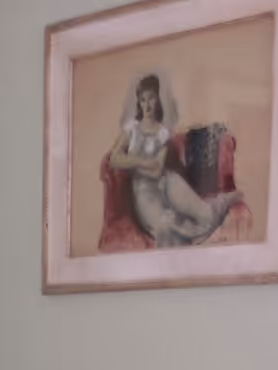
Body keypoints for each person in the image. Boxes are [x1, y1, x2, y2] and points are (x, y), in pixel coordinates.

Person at [101, 72, 246, 250]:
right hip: (144, 191)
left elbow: (157, 169)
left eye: (151, 99)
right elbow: (115, 159)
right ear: (138, 102)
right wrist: (144, 162)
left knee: (204, 215)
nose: (147, 105)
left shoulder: (163, 132)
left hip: (167, 181)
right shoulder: (131, 129)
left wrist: (132, 161)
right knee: (164, 227)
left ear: (157, 101)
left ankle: (223, 201)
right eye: (143, 100)